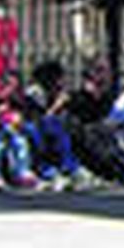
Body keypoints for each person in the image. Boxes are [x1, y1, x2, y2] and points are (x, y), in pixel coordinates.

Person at [66, 62, 124, 186]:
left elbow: (112, 118)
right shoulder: (77, 98)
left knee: (118, 135)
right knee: (100, 135)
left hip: (105, 136)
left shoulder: (107, 99)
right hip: (86, 138)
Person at [23, 60, 89, 190]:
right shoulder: (34, 93)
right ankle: (50, 171)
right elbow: (40, 117)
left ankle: (71, 168)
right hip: (34, 128)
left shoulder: (56, 91)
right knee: (47, 128)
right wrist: (56, 106)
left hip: (50, 127)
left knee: (66, 126)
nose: (61, 81)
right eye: (59, 78)